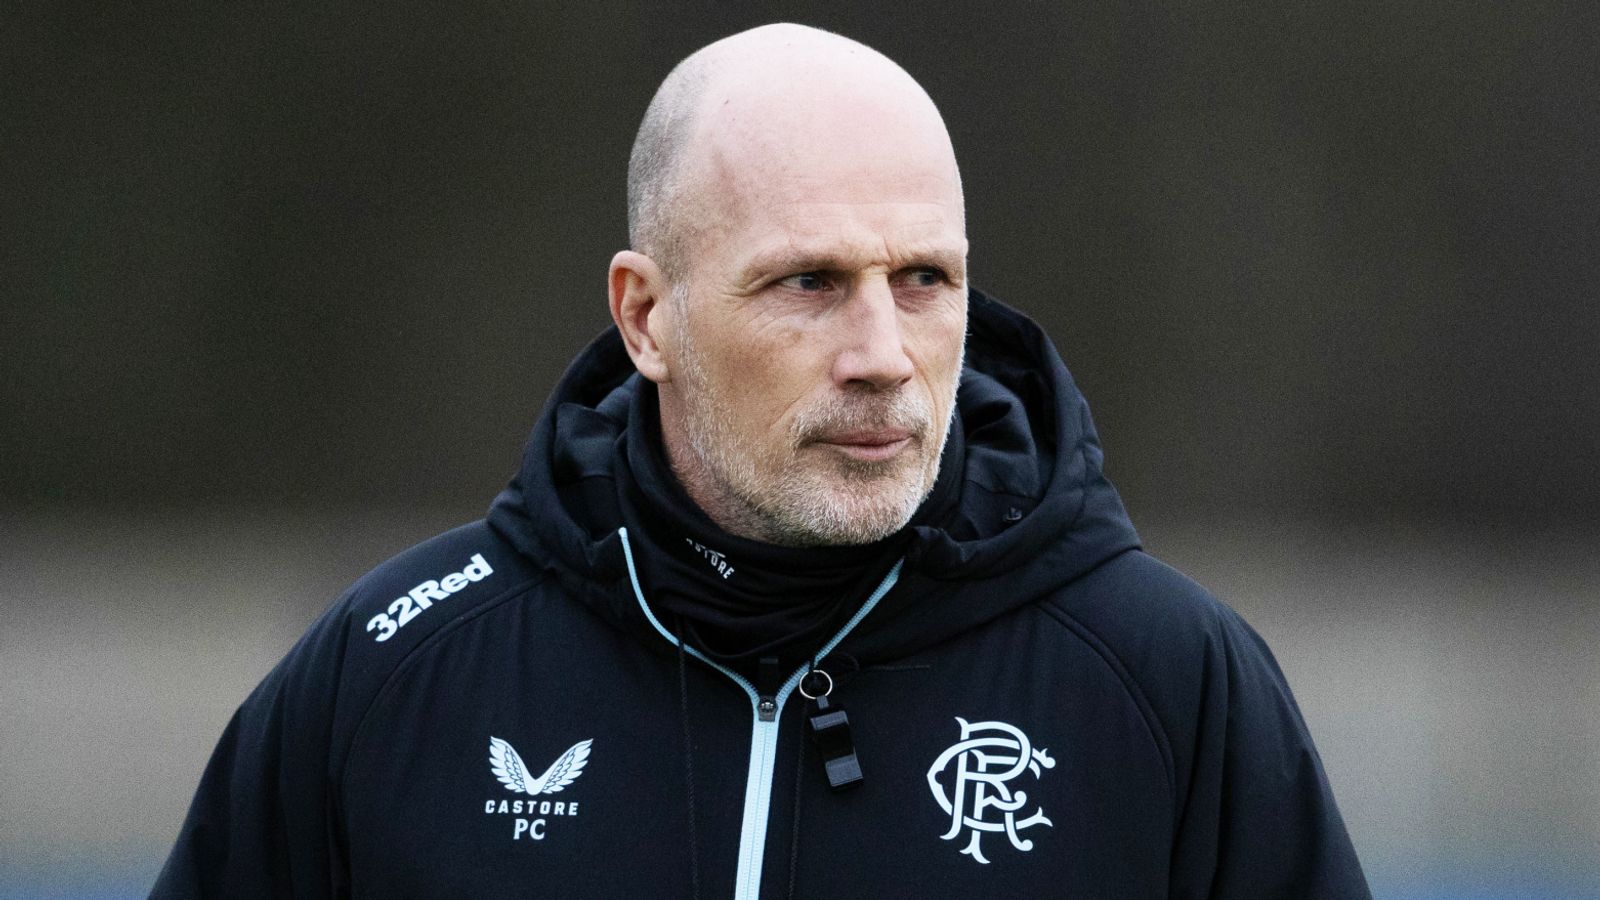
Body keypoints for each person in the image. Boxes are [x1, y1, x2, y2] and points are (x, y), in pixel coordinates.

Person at [153, 23, 1371, 899]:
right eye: (808, 283)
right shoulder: (394, 674)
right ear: (647, 318)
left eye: (923, 281)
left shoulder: (1166, 682)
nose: (883, 355)